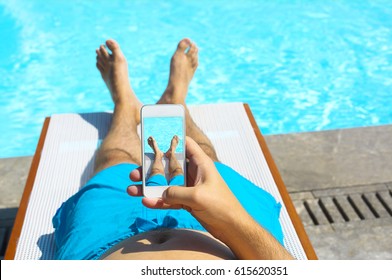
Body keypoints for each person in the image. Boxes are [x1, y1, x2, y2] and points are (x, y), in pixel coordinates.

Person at [52, 38, 294, 260]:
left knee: (116, 160)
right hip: (237, 238)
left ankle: (124, 105)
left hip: (98, 241)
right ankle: (176, 102)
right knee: (203, 159)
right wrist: (229, 219)